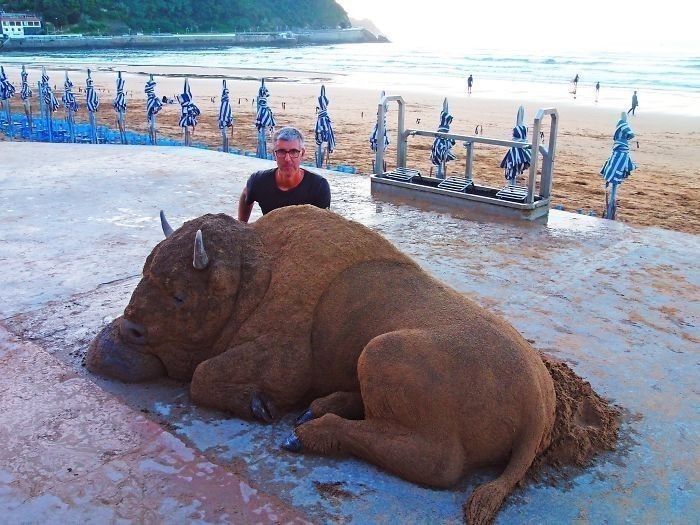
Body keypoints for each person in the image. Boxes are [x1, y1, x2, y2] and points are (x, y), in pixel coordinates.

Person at [237, 127, 331, 222]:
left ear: (302, 154)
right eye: (281, 152)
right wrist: (242, 224)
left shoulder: (319, 187)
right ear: (274, 154)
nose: (287, 159)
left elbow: (323, 225)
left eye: (293, 152)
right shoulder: (259, 181)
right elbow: (246, 194)